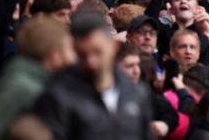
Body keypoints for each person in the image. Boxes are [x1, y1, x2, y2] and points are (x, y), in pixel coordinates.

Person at [33, 11, 154, 140]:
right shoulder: (57, 96)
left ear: (114, 47)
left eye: (98, 52)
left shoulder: (137, 93)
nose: (91, 62)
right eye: (82, 54)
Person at [0, 15, 76, 139]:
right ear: (54, 54)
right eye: (70, 49)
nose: (73, 57)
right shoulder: (22, 87)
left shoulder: (40, 82)